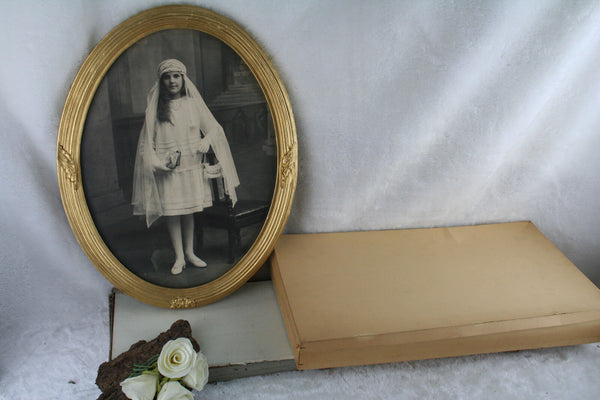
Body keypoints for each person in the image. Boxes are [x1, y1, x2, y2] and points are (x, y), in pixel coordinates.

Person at [132, 59, 240, 275]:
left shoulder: (192, 104)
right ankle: (179, 257)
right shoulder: (154, 108)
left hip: (191, 165)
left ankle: (190, 253)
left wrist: (206, 140)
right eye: (167, 77)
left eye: (176, 76)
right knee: (173, 212)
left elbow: (215, 129)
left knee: (189, 211)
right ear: (161, 81)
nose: (172, 81)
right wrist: (159, 164)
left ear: (183, 79)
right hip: (169, 169)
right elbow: (147, 145)